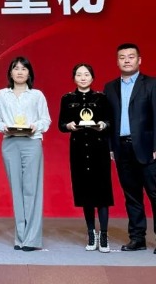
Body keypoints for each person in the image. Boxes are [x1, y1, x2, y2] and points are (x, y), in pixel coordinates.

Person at [0, 56, 51, 252]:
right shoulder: (2, 95)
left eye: (23, 69)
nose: (19, 72)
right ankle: (20, 237)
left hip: (31, 142)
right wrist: (3, 127)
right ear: (10, 72)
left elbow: (45, 120)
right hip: (10, 143)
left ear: (29, 73)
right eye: (16, 68)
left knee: (32, 189)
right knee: (16, 190)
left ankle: (31, 239)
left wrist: (36, 126)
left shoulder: (37, 95)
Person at [103, 43, 156, 253]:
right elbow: (108, 119)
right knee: (132, 196)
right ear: (117, 62)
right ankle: (137, 238)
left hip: (147, 148)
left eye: (131, 56)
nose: (126, 60)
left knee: (155, 193)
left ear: (139, 60)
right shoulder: (110, 87)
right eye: (122, 57)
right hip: (121, 148)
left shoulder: (151, 84)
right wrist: (110, 146)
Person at [58, 64, 113, 253]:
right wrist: (68, 126)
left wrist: (103, 125)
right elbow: (61, 125)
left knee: (103, 193)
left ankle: (104, 234)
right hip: (79, 149)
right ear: (74, 78)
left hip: (99, 149)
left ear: (92, 77)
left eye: (86, 74)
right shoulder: (67, 99)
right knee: (85, 192)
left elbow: (109, 121)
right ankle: (91, 233)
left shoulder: (101, 98)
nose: (83, 78)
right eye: (79, 75)